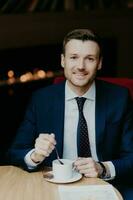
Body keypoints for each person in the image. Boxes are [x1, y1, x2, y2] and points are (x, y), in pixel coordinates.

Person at [8, 29, 133, 200]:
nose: (81, 66)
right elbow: (14, 152)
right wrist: (35, 155)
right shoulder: (41, 99)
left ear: (100, 63)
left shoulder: (120, 98)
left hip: (104, 186)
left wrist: (102, 168)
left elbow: (131, 157)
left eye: (89, 59)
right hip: (53, 185)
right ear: (63, 60)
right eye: (73, 57)